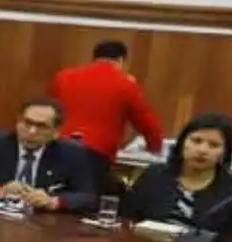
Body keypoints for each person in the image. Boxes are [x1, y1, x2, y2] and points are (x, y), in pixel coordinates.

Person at [50, 39, 164, 193]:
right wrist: (155, 147)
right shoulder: (125, 83)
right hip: (96, 153)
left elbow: (50, 111)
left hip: (59, 147)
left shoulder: (62, 77)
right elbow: (145, 121)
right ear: (121, 60)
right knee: (86, 198)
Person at [121, 112, 232, 239]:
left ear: (225, 153)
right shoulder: (153, 175)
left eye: (214, 145)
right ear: (182, 142)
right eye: (196, 141)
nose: (202, 150)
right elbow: (126, 220)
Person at [0, 97, 97, 214]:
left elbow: (88, 197)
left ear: (56, 132)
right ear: (18, 123)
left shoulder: (71, 153)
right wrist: (0, 191)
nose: (31, 132)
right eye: (27, 123)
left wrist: (53, 201)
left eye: (41, 126)